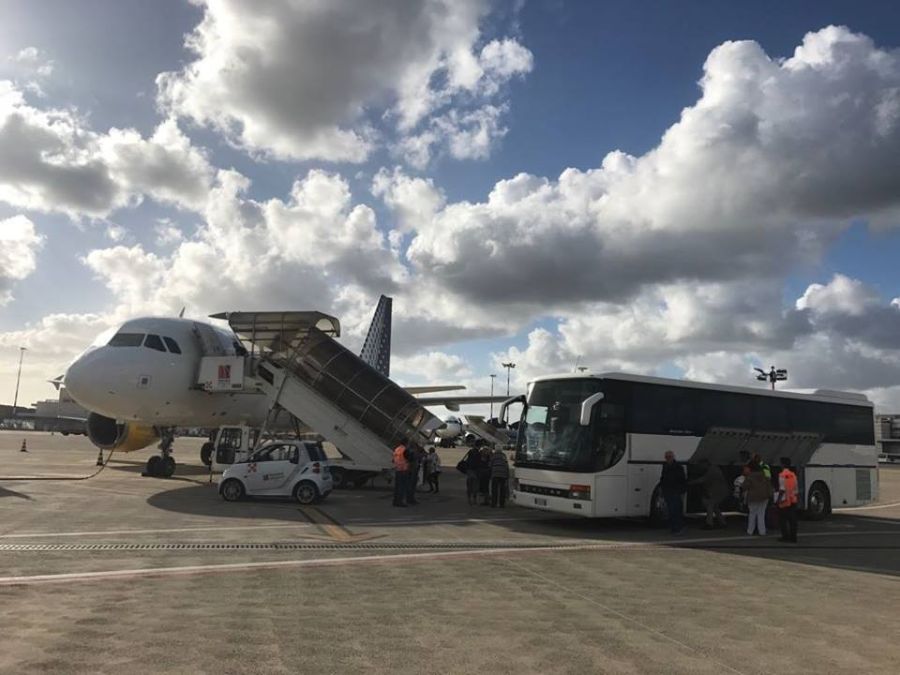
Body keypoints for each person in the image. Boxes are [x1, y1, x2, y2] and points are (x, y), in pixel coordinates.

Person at [689, 458, 729, 529]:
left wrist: (691, 482)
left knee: (710, 505)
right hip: (720, 491)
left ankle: (709, 524)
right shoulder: (714, 468)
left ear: (705, 464)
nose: (700, 467)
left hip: (718, 491)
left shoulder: (712, 470)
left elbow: (703, 479)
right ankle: (722, 522)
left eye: (701, 465)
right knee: (715, 507)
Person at [659, 451, 687, 534]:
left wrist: (681, 491)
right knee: (671, 511)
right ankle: (674, 528)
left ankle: (678, 527)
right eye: (667, 457)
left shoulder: (678, 467)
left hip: (675, 491)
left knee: (675, 510)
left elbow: (682, 480)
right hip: (668, 491)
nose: (668, 459)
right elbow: (663, 478)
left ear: (673, 457)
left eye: (669, 457)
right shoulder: (665, 466)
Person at [743, 461, 773, 535]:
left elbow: (745, 487)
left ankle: (750, 531)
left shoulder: (749, 477)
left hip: (753, 497)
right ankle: (762, 531)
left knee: (752, 514)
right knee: (761, 514)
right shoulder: (765, 476)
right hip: (764, 497)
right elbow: (769, 486)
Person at [777, 457, 799, 542]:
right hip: (792, 500)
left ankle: (785, 536)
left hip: (784, 501)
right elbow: (796, 489)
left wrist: (778, 499)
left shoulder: (782, 475)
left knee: (783, 521)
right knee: (792, 521)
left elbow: (782, 489)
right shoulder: (793, 475)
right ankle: (793, 537)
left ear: (783, 464)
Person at [392, 438, 410, 507]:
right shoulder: (405, 450)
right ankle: (400, 502)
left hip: (397, 469)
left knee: (397, 487)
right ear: (406, 443)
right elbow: (409, 458)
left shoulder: (397, 449)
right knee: (402, 487)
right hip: (403, 470)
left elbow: (393, 460)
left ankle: (395, 501)